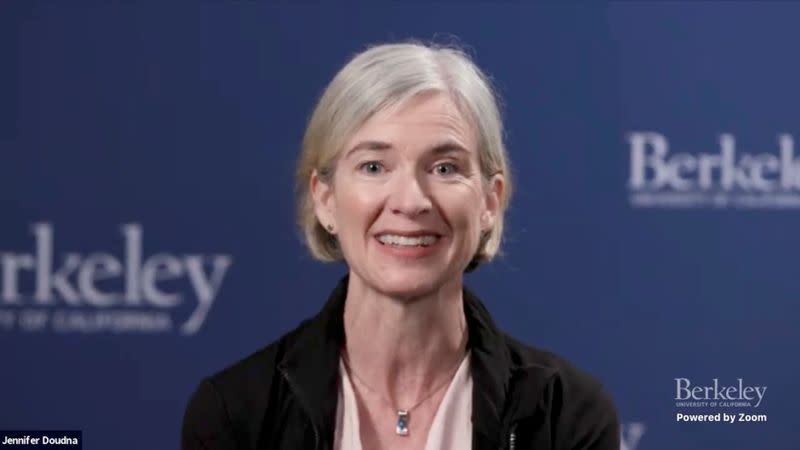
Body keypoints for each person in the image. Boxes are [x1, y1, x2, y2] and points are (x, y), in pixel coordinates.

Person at [182, 40, 619, 450]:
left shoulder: (567, 415)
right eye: (373, 166)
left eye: (445, 168)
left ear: (490, 200)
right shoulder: (236, 413)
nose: (411, 201)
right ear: (325, 199)